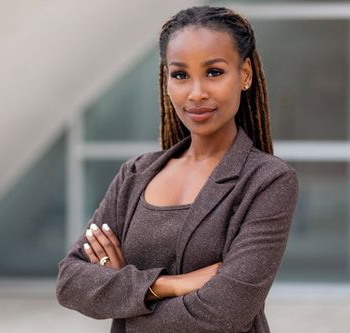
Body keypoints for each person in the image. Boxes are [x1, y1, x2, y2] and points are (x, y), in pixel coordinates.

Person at [56, 5, 299, 333]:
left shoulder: (267, 181)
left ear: (244, 75)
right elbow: (71, 281)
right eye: (180, 75)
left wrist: (124, 296)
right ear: (166, 79)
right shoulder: (136, 174)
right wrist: (168, 285)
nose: (196, 93)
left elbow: (227, 310)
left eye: (214, 72)